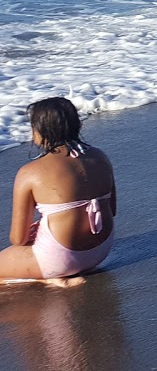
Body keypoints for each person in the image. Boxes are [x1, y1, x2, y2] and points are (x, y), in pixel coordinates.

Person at [0, 98, 117, 284]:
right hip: (100, 251)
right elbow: (111, 210)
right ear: (76, 125)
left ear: (40, 131)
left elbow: (18, 239)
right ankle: (56, 274)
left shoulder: (30, 172)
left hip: (61, 259)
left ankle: (49, 279)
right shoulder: (100, 157)